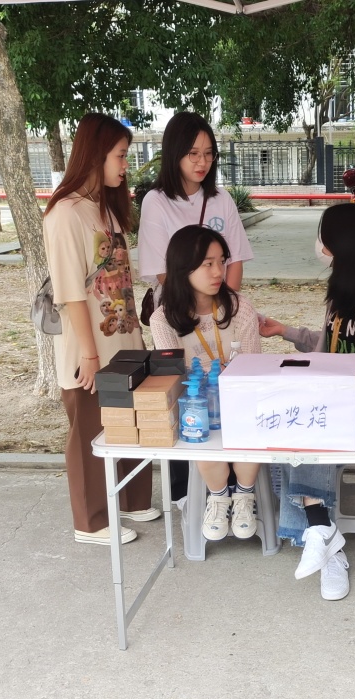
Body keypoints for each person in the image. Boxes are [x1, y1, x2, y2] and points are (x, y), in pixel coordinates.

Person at [259, 203, 355, 600]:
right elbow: (329, 349)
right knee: (289, 419)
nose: (319, 244)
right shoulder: (344, 290)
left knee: (313, 424)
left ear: (341, 243)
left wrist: (344, 380)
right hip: (335, 399)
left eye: (323, 235)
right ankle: (323, 535)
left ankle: (320, 535)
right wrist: (285, 331)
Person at [43, 112, 160, 545]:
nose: (126, 165)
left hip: (123, 338)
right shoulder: (65, 214)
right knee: (90, 434)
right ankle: (90, 522)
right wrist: (89, 354)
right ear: (96, 155)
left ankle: (131, 499)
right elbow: (71, 292)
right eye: (121, 156)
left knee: (128, 422)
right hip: (89, 346)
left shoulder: (104, 208)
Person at [149, 225, 263, 541]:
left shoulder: (239, 307)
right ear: (183, 268)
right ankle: (218, 497)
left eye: (222, 261)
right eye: (207, 264)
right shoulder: (163, 319)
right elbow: (173, 377)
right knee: (198, 424)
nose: (218, 272)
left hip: (239, 402)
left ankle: (244, 495)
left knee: (249, 422)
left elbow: (253, 367)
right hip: (197, 407)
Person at [137, 111, 253, 303]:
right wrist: (200, 309)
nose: (203, 162)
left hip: (220, 308)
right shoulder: (156, 202)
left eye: (208, 153)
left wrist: (224, 306)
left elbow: (235, 260)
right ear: (174, 154)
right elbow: (163, 272)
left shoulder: (222, 199)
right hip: (178, 309)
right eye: (193, 154)